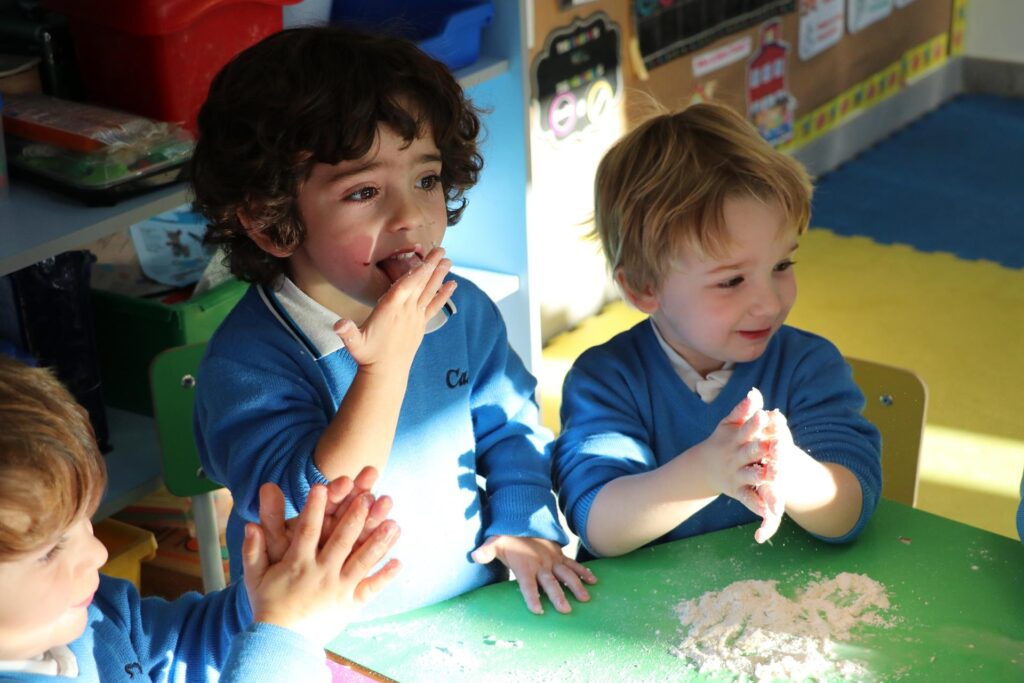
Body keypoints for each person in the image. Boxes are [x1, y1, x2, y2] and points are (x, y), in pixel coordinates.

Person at [189, 25, 595, 619]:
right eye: (364, 192)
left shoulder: (462, 311)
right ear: (271, 220)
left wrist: (522, 522)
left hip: (470, 616)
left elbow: (510, 430)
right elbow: (306, 508)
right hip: (322, 641)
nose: (411, 216)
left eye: (426, 180)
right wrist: (386, 367)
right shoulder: (247, 363)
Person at [552, 101, 882, 559]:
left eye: (781, 265)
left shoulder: (808, 367)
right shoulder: (609, 378)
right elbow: (599, 526)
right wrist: (708, 472)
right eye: (731, 281)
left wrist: (787, 471)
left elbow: (849, 512)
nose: (770, 302)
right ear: (645, 288)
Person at [0, 355, 400, 682]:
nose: (98, 553)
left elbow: (186, 648)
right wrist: (285, 634)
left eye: (84, 521)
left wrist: (268, 600)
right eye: (50, 550)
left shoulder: (94, 615)